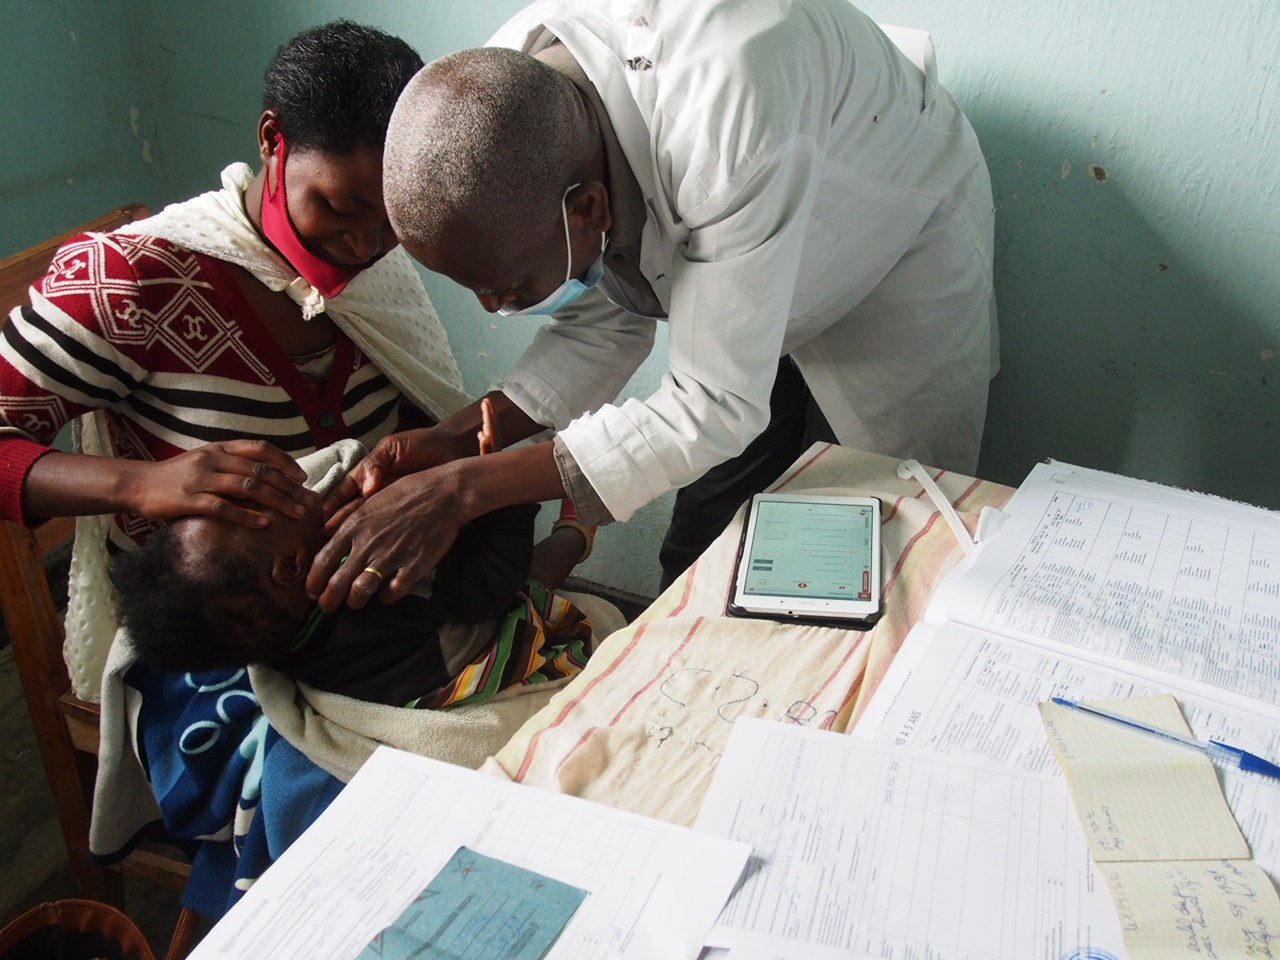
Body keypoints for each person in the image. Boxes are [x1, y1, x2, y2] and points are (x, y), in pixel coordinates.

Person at [0, 20, 470, 914]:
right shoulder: (134, 280)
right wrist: (141, 485)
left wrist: (443, 463)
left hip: (356, 606)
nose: (366, 244)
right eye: (338, 207)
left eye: (393, 220)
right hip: (213, 642)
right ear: (270, 141)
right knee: (374, 817)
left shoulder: (375, 275)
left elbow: (427, 420)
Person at [309, 0, 998, 609]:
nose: (494, 308)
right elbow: (613, 309)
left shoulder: (728, 123)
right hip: (747, 244)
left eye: (510, 287)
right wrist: (452, 439)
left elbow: (713, 408)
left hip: (890, 247)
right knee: (706, 550)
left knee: (892, 538)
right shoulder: (500, 102)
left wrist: (465, 489)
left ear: (588, 208)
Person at [111, 439, 596, 708]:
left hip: (392, 669)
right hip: (479, 654)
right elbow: (490, 582)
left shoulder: (273, 625)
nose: (257, 490)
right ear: (292, 565)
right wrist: (491, 488)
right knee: (529, 587)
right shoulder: (376, 588)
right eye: (250, 509)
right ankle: (577, 530)